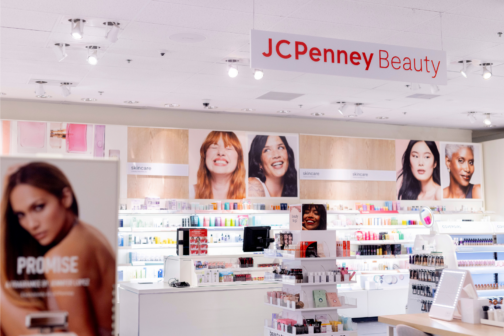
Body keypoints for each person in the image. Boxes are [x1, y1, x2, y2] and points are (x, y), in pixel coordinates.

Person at [0, 162, 115, 336]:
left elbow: (82, 334)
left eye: (38, 207)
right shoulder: (88, 233)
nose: (31, 224)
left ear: (65, 197)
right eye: (21, 215)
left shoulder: (60, 255)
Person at [193, 131, 246, 199]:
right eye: (214, 147)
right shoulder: (187, 192)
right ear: (204, 155)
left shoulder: (251, 194)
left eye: (228, 148)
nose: (221, 152)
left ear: (239, 159)